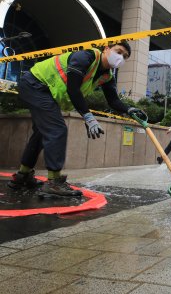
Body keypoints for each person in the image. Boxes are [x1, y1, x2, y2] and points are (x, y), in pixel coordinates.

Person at [9, 42, 144, 197]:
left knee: (41, 132)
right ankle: (54, 183)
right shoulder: (85, 57)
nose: (120, 57)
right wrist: (88, 117)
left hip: (44, 91)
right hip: (35, 84)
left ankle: (22, 176)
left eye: (125, 56)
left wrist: (129, 109)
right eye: (118, 52)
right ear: (106, 49)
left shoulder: (107, 76)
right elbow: (73, 89)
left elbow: (113, 101)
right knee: (56, 129)